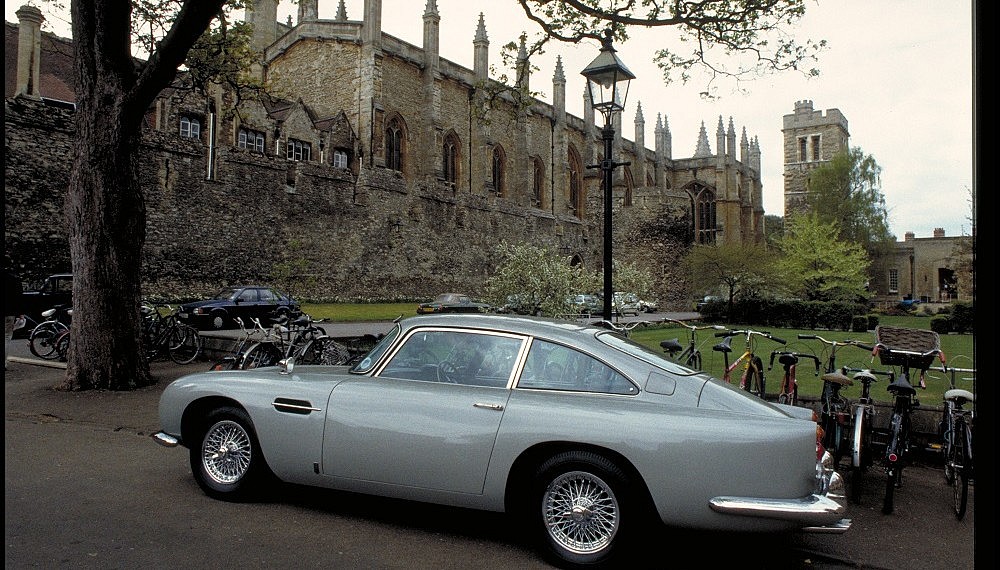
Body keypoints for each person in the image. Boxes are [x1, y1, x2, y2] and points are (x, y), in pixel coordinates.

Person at [5, 268, 24, 369]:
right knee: (6, 337)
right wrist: (20, 313)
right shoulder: (14, 279)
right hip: (9, 312)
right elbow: (19, 297)